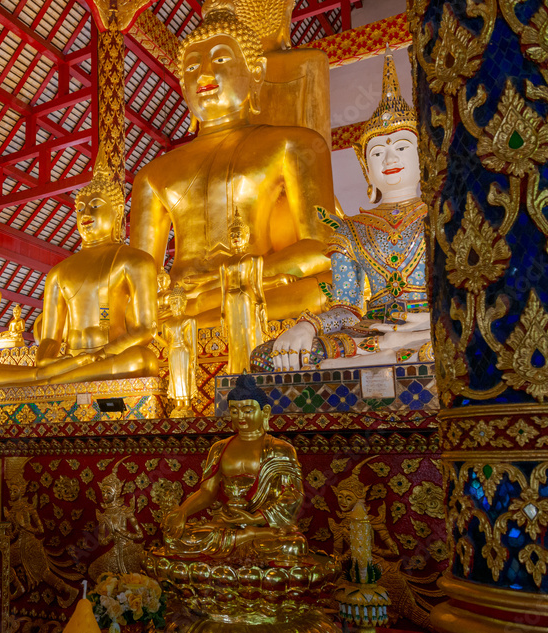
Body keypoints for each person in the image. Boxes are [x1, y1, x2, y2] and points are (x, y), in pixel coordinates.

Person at [129, 0, 334, 328]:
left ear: (256, 72)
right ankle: (210, 314)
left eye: (220, 58)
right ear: (182, 84)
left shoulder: (293, 144)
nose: (204, 74)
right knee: (133, 316)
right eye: (192, 66)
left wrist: (231, 279)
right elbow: (140, 279)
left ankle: (209, 313)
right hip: (182, 300)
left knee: (326, 288)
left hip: (254, 287)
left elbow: (323, 249)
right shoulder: (153, 175)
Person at [255, 52, 431, 372]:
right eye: (378, 152)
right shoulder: (350, 230)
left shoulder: (441, 215)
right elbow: (348, 307)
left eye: (402, 147)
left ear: (424, 156)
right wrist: (307, 327)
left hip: (432, 327)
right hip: (371, 334)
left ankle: (400, 353)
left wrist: (436, 317)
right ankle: (392, 355)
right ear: (366, 166)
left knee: (461, 341)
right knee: (270, 358)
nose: (390, 159)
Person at [0, 169, 159, 389]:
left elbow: (145, 329)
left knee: (142, 359)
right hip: (69, 362)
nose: (86, 214)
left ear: (118, 211)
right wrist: (48, 360)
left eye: (96, 205)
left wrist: (102, 353)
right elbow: (50, 340)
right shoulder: (59, 272)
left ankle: (48, 383)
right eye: (80, 209)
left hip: (108, 358)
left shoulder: (134, 261)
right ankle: (55, 378)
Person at [160, 374, 306, 562]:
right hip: (227, 524)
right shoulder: (220, 448)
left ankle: (250, 534)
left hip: (265, 526)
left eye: (247, 410)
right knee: (175, 539)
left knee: (293, 545)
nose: (241, 417)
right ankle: (245, 537)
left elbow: (292, 496)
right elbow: (207, 492)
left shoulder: (280, 449)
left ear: (265, 411)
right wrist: (182, 512)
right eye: (235, 411)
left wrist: (253, 520)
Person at [219, 217, 268, 374]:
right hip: (229, 299)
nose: (235, 238)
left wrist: (262, 306)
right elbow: (223, 289)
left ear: (246, 236)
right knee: (234, 337)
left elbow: (258, 285)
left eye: (238, 234)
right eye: (232, 235)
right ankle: (235, 369)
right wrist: (222, 313)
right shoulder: (224, 264)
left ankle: (250, 368)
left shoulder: (254, 258)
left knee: (247, 333)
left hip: (246, 296)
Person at [155, 285, 197, 417]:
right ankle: (178, 402)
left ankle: (187, 402)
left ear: (183, 303)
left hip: (184, 350)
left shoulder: (189, 320)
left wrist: (194, 357)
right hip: (173, 352)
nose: (174, 304)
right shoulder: (166, 323)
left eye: (176, 301)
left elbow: (193, 341)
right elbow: (167, 344)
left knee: (185, 375)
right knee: (176, 376)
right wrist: (155, 336)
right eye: (172, 302)